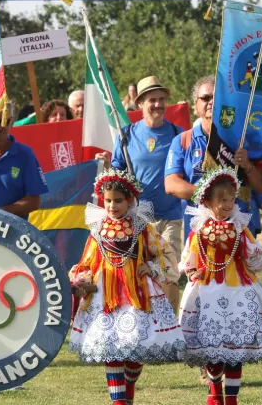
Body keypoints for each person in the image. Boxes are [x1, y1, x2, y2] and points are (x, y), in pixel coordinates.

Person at [68, 169, 183, 405]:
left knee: (135, 351)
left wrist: (152, 269)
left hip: (138, 294)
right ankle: (119, 401)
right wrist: (84, 279)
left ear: (130, 200)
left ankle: (129, 385)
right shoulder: (98, 229)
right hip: (104, 296)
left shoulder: (142, 228)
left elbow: (165, 254)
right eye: (108, 201)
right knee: (112, 352)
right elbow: (88, 261)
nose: (112, 206)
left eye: (118, 201)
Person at [179, 167, 262, 405]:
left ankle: (232, 397)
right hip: (207, 292)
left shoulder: (239, 228)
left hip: (238, 292)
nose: (227, 204)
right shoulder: (199, 232)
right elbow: (188, 260)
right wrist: (194, 271)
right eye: (222, 200)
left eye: (231, 199)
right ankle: (215, 391)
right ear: (208, 201)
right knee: (212, 347)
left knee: (236, 346)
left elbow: (252, 253)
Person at [103, 76, 185, 309]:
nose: (158, 104)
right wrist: (107, 167)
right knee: (139, 271)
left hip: (170, 215)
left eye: (161, 99)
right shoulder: (126, 135)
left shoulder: (178, 135)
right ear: (140, 103)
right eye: (152, 100)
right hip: (138, 218)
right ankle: (146, 323)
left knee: (169, 270)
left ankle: (171, 328)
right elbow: (117, 176)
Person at [165, 76, 262, 230]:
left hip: (238, 231)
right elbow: (171, 185)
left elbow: (261, 188)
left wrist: (247, 166)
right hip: (199, 232)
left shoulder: (243, 139)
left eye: (217, 97)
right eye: (206, 98)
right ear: (195, 106)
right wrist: (211, 195)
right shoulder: (182, 141)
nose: (212, 102)